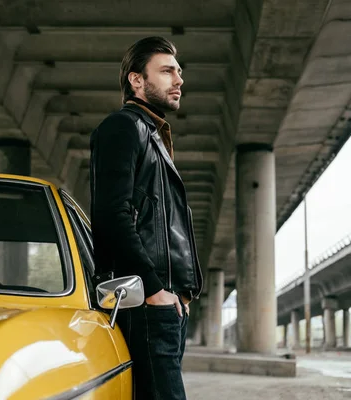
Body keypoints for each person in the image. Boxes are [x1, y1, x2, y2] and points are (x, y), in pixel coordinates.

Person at [89, 36, 204, 399]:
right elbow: (111, 215)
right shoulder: (124, 127)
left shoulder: (152, 135)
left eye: (179, 72)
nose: (179, 80)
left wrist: (177, 299)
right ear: (137, 80)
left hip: (163, 307)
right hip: (146, 305)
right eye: (167, 71)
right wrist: (154, 290)